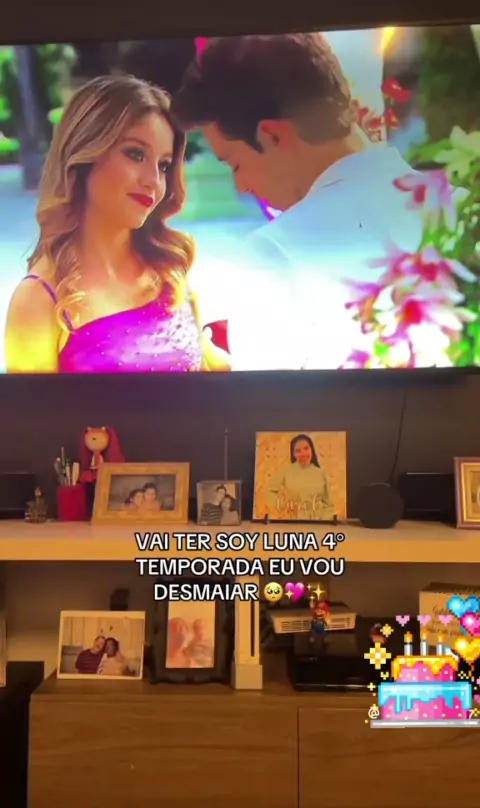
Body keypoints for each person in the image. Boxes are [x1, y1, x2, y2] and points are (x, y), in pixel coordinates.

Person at [172, 33, 426, 369]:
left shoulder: (274, 252)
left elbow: (264, 401)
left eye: (235, 164)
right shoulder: (462, 208)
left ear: (272, 135)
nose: (242, 186)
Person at [5, 74, 229, 373]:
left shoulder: (170, 273)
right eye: (135, 154)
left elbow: (211, 374)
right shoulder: (39, 298)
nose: (153, 181)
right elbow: (31, 406)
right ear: (84, 155)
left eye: (163, 165)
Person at [267, 434, 334, 521]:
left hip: (319, 522)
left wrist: (324, 521)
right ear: (293, 454)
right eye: (298, 451)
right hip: (294, 521)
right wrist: (283, 506)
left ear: (312, 450)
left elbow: (329, 505)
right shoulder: (286, 471)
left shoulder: (321, 473)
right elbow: (270, 491)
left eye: (306, 448)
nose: (303, 453)